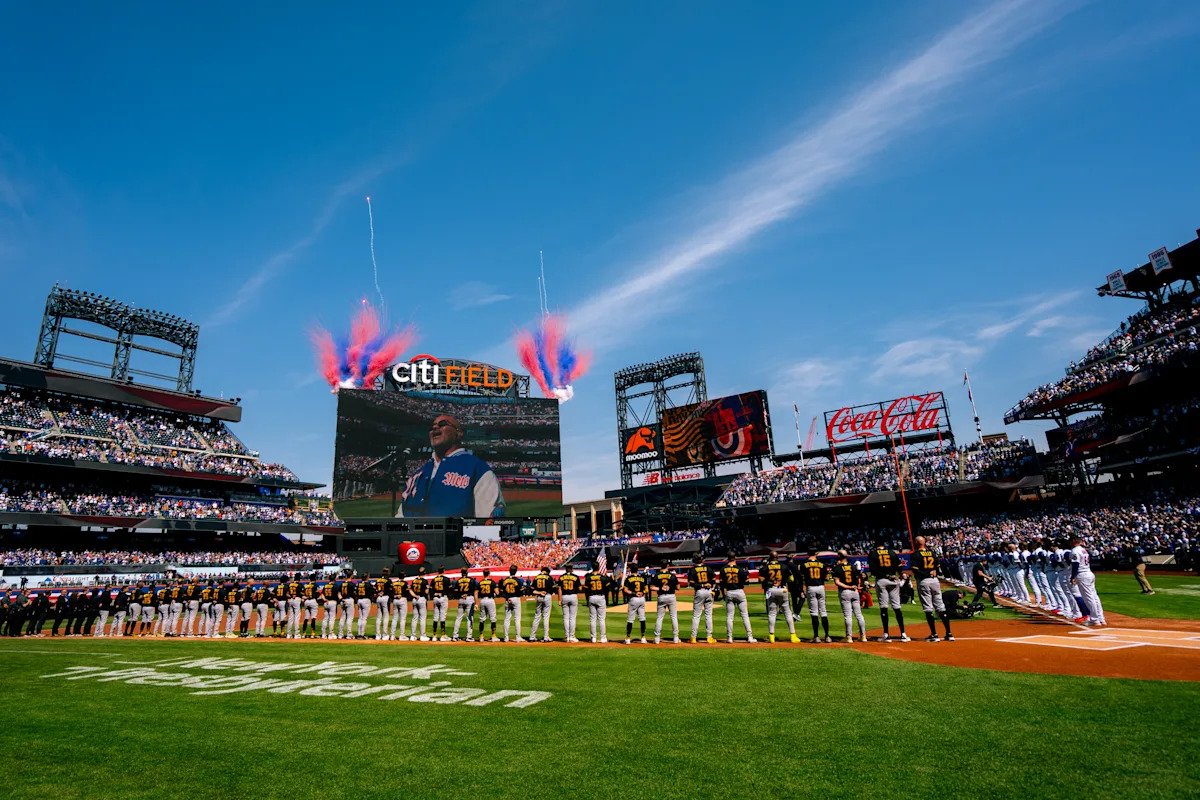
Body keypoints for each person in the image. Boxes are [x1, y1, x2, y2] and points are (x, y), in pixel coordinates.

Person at [395, 414, 505, 518]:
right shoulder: (417, 475)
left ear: (459, 433)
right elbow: (401, 516)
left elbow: (489, 524)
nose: (435, 428)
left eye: (442, 424)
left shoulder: (478, 469)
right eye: (431, 427)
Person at [912, 536, 953, 642]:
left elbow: (915, 570)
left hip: (924, 581)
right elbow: (938, 568)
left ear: (916, 543)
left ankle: (934, 634)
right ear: (924, 542)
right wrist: (933, 571)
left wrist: (926, 573)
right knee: (940, 607)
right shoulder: (932, 552)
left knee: (928, 608)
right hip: (935, 581)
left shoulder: (915, 554)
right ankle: (949, 633)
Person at [868, 539, 909, 642]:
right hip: (893, 580)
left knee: (884, 607)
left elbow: (873, 570)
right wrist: (899, 574)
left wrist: (885, 575)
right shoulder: (891, 552)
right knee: (897, 607)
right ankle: (903, 634)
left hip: (882, 580)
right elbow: (899, 566)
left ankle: (886, 635)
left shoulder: (873, 554)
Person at [761, 553, 798, 644]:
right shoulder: (784, 566)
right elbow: (792, 579)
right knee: (787, 613)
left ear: (770, 558)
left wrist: (770, 582)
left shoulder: (765, 567)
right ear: (778, 557)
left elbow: (760, 579)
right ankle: (793, 636)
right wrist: (783, 581)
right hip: (782, 589)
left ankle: (771, 636)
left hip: (771, 590)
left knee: (772, 613)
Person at [832, 550, 867, 642]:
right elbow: (859, 578)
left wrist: (848, 586)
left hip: (845, 591)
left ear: (839, 556)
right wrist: (856, 586)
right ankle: (863, 636)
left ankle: (849, 637)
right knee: (859, 615)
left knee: (848, 616)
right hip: (855, 592)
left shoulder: (837, 568)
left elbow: (837, 582)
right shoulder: (853, 567)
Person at [1070, 535, 1106, 627]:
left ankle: (1095, 620)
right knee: (1094, 596)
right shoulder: (1083, 549)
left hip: (1082, 575)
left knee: (1088, 598)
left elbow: (1075, 565)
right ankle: (1101, 618)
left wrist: (1073, 577)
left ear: (1074, 541)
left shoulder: (1075, 550)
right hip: (1089, 573)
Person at [719, 555, 756, 643]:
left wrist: (723, 595)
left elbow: (721, 584)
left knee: (730, 616)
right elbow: (746, 581)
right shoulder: (739, 569)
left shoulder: (723, 569)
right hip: (739, 591)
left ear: (728, 558)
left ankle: (729, 638)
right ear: (735, 558)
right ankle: (750, 637)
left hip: (729, 592)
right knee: (745, 615)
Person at [799, 549, 832, 643]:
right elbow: (827, 578)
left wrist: (802, 590)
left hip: (811, 588)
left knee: (814, 612)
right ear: (816, 554)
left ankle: (816, 636)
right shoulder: (822, 564)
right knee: (823, 612)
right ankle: (827, 636)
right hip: (821, 587)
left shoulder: (803, 564)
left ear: (807, 553)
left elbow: (802, 579)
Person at [686, 555, 717, 644]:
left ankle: (693, 637)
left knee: (696, 615)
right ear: (702, 560)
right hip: (709, 591)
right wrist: (712, 587)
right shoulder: (708, 568)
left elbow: (691, 583)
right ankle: (709, 637)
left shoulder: (692, 570)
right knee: (708, 615)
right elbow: (714, 580)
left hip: (699, 591)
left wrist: (702, 585)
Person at [650, 565, 681, 644]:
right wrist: (671, 587)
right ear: (667, 566)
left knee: (659, 618)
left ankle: (657, 639)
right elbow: (678, 587)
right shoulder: (672, 575)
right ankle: (676, 638)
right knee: (674, 617)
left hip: (661, 596)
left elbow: (651, 587)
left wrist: (660, 588)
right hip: (671, 596)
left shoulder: (657, 575)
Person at [583, 563, 611, 643]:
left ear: (592, 567)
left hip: (591, 597)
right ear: (598, 567)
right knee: (601, 619)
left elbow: (586, 590)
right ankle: (603, 638)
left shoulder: (588, 577)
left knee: (592, 619)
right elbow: (607, 589)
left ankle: (593, 638)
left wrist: (587, 600)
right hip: (601, 597)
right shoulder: (603, 577)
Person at [528, 566, 556, 643]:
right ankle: (546, 637)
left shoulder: (536, 577)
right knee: (546, 617)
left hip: (539, 596)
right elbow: (552, 588)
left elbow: (532, 589)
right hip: (547, 596)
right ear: (547, 572)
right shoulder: (549, 577)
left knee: (537, 616)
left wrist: (539, 592)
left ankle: (532, 637)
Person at [622, 567, 649, 645]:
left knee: (630, 620)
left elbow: (625, 590)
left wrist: (634, 593)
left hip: (633, 599)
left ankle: (627, 638)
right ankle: (643, 638)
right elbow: (646, 589)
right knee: (642, 618)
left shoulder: (629, 578)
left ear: (631, 570)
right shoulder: (642, 578)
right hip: (642, 599)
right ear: (637, 570)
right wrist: (642, 592)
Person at [500, 566, 525, 643]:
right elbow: (520, 591)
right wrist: (522, 590)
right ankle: (518, 637)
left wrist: (507, 598)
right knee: (517, 618)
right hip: (515, 598)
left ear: (509, 571)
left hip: (507, 599)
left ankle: (506, 638)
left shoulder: (505, 580)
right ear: (516, 571)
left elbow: (502, 591)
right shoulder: (518, 580)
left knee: (507, 619)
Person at [557, 565, 582, 643]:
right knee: (572, 618)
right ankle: (572, 636)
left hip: (564, 596)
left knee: (565, 617)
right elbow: (580, 588)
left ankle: (567, 636)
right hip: (573, 596)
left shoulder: (561, 577)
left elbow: (559, 589)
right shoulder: (576, 577)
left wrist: (559, 600)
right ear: (572, 569)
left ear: (565, 569)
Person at [452, 568, 478, 642]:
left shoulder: (458, 581)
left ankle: (455, 636)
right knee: (469, 618)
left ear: (461, 573)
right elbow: (475, 592)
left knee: (458, 618)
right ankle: (469, 637)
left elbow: (455, 591)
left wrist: (461, 595)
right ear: (467, 572)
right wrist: (476, 603)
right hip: (469, 598)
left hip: (461, 599)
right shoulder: (472, 580)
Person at [430, 566, 452, 641]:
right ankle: (443, 635)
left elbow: (430, 590)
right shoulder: (446, 579)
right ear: (444, 571)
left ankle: (434, 635)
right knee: (443, 617)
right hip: (443, 597)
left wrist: (435, 594)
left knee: (435, 617)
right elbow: (449, 589)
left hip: (435, 598)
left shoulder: (433, 579)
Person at [477, 570, 500, 642]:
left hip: (482, 600)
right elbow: (497, 592)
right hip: (490, 600)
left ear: (483, 574)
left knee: (482, 619)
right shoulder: (492, 582)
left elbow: (477, 593)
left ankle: (481, 636)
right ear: (489, 574)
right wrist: (495, 593)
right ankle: (493, 636)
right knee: (493, 618)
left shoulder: (480, 582)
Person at [409, 568, 430, 641]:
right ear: (424, 573)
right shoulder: (424, 581)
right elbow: (426, 592)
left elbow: (410, 590)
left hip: (415, 599)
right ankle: (422, 636)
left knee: (414, 618)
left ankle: (412, 636)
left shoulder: (414, 580)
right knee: (422, 618)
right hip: (421, 599)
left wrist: (414, 596)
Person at [354, 573, 375, 639]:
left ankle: (359, 633)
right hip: (366, 600)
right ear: (367, 577)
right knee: (364, 618)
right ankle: (362, 634)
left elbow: (355, 592)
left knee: (360, 618)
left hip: (359, 600)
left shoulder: (358, 584)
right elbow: (373, 593)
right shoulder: (368, 584)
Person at [374, 572, 392, 640]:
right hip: (385, 598)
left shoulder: (378, 580)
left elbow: (375, 588)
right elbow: (390, 590)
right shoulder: (388, 580)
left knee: (379, 617)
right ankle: (385, 635)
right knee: (386, 616)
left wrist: (378, 593)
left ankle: (377, 635)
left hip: (378, 598)